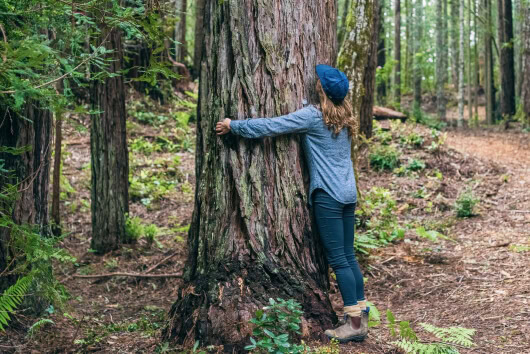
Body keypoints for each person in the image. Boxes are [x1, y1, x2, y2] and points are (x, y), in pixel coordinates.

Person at [215, 64, 369, 343]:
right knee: (348, 256)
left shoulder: (312, 116)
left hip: (329, 196)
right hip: (348, 195)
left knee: (339, 260)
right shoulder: (345, 116)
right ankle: (360, 315)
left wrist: (233, 125)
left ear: (320, 89)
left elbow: (273, 126)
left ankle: (354, 324)